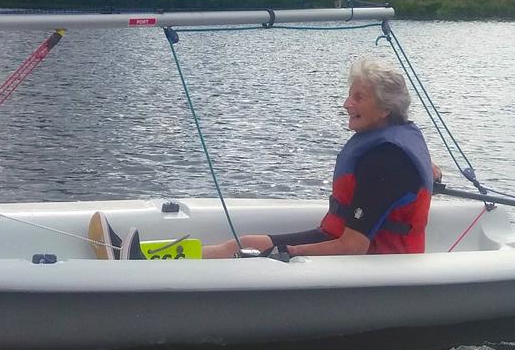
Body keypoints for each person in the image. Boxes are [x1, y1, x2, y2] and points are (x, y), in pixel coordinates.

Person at [88, 57, 440, 261]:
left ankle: (140, 260)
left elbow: (354, 246)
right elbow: (426, 173)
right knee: (247, 243)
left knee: (249, 250)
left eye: (358, 97)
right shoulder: (395, 144)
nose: (347, 104)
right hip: (345, 241)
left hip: (378, 264)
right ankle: (143, 256)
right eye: (349, 95)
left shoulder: (385, 161)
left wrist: (281, 252)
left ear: (385, 109)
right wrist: (428, 176)